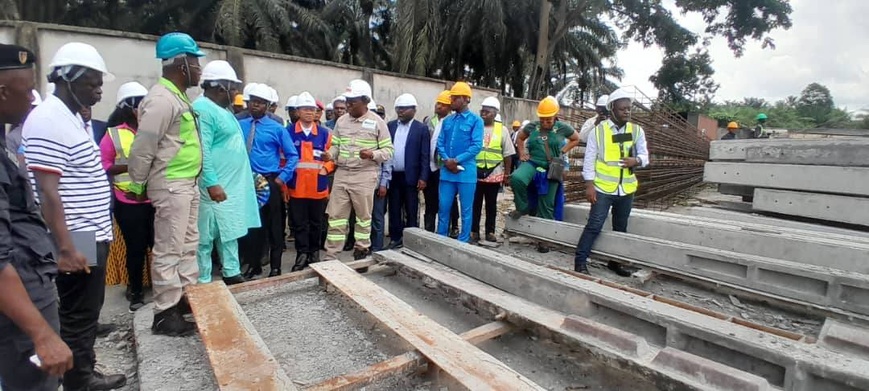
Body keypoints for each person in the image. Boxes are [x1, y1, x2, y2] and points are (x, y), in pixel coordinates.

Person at [24, 42, 127, 390]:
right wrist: (66, 247)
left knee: (87, 307)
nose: (99, 90)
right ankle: (79, 380)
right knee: (78, 311)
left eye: (100, 83)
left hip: (90, 231)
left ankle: (83, 370)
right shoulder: (49, 120)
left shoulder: (73, 118)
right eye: (91, 83)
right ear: (64, 78)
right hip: (77, 235)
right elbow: (47, 193)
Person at [0, 43, 75, 391]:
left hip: (31, 279)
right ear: (2, 91)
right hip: (20, 301)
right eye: (27, 89)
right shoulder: (47, 121)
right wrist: (41, 335)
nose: (33, 98)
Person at [127, 32, 205, 337]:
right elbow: (143, 146)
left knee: (187, 247)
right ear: (181, 63)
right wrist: (138, 182)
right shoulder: (161, 99)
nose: (200, 68)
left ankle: (186, 300)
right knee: (169, 249)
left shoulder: (177, 96)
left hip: (186, 184)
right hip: (171, 184)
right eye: (195, 61)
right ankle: (164, 313)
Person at [194, 60, 259, 285]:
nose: (235, 92)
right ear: (220, 87)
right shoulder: (203, 109)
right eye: (233, 87)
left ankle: (231, 271)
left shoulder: (221, 109)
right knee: (205, 236)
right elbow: (202, 150)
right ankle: (202, 279)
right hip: (213, 186)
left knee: (229, 231)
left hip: (229, 186)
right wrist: (211, 182)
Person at [573, 89, 650, 276]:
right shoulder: (598, 132)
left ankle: (615, 262)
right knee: (594, 224)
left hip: (626, 188)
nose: (627, 112)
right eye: (622, 109)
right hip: (603, 188)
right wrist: (589, 185)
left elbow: (645, 156)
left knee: (620, 227)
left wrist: (637, 161)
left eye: (629, 109)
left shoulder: (636, 130)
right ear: (612, 109)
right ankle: (580, 261)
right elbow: (589, 159)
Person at [324, 79, 393, 262]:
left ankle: (361, 251)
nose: (347, 105)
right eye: (347, 101)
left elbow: (388, 151)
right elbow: (336, 145)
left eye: (352, 101)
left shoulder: (377, 122)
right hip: (342, 174)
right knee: (336, 217)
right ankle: (331, 257)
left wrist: (372, 154)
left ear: (365, 101)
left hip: (364, 176)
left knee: (363, 218)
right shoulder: (341, 121)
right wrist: (330, 155)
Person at [99, 81, 154, 312]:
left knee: (158, 245)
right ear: (127, 108)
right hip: (128, 202)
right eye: (139, 105)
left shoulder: (152, 131)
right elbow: (104, 165)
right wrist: (132, 166)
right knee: (136, 247)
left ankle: (164, 288)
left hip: (153, 198)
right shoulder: (113, 135)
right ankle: (136, 292)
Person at [238, 84, 298, 278]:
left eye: (260, 103)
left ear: (267, 105)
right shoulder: (240, 125)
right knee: (252, 226)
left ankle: (275, 266)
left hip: (270, 181)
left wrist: (282, 178)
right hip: (247, 181)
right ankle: (253, 264)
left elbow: (292, 155)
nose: (255, 106)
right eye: (253, 102)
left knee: (274, 226)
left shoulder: (277, 128)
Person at [510, 96, 579, 222]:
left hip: (552, 166)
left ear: (555, 116)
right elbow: (520, 138)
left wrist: (563, 151)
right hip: (532, 162)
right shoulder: (532, 126)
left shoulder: (563, 128)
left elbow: (576, 139)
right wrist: (521, 153)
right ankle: (523, 208)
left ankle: (543, 235)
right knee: (516, 178)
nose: (545, 123)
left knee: (547, 202)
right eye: (542, 120)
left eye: (549, 120)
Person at [286, 92, 334, 271]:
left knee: (316, 223)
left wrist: (326, 169)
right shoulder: (288, 133)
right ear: (297, 111)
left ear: (316, 112)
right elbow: (283, 159)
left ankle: (314, 253)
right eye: (305, 109)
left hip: (317, 186)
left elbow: (332, 157)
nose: (308, 112)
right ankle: (302, 254)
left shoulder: (324, 134)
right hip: (296, 186)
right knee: (299, 223)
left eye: (312, 109)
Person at [436, 82, 484, 243]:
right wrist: (447, 160)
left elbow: (476, 146)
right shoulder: (447, 121)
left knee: (466, 210)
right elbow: (440, 142)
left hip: (465, 172)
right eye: (452, 98)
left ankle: (463, 241)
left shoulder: (476, 121)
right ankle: (441, 238)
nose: (452, 101)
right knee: (443, 207)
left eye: (455, 98)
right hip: (447, 172)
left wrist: (456, 160)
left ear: (465, 99)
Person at [386, 93, 430, 249]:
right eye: (398, 108)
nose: (401, 112)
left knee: (411, 208)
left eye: (404, 109)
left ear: (414, 110)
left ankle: (411, 238)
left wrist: (423, 177)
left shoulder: (421, 128)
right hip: (394, 175)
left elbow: (425, 155)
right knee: (394, 208)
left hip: (411, 176)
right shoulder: (390, 126)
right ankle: (395, 237)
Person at [472, 97, 515, 243]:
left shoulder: (502, 130)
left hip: (494, 173)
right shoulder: (475, 127)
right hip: (475, 173)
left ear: (495, 113)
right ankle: (474, 231)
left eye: (487, 111)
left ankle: (490, 231)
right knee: (475, 204)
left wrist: (507, 174)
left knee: (491, 205)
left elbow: (508, 154)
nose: (483, 114)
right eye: (482, 111)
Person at [425, 90, 459, 234]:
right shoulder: (429, 121)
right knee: (430, 198)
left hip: (446, 167)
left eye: (443, 104)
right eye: (438, 103)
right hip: (430, 167)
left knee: (448, 200)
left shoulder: (453, 122)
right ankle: (429, 228)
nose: (439, 106)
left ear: (449, 107)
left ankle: (453, 227)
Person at [6, 89, 40, 172]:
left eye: (34, 108)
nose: (31, 111)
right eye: (30, 107)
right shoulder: (13, 137)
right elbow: (12, 167)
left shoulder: (46, 132)